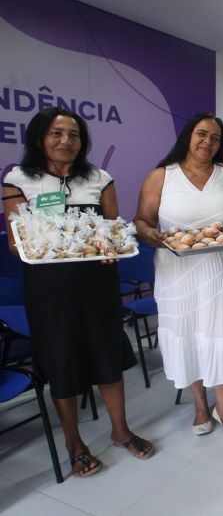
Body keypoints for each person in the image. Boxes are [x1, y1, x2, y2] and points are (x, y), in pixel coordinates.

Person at [2, 108, 154, 477]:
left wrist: (112, 248)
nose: (65, 141)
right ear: (39, 137)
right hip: (49, 290)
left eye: (73, 135)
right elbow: (16, 243)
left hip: (96, 284)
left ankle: (121, 431)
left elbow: (113, 230)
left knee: (108, 355)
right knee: (62, 361)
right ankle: (75, 442)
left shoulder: (99, 178)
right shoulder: (19, 178)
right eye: (56, 133)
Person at [134, 113, 223, 439]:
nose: (207, 142)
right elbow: (142, 221)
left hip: (222, 269)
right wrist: (154, 236)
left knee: (222, 333)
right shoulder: (161, 176)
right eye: (202, 134)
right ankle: (199, 404)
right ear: (188, 136)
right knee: (186, 334)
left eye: (215, 138)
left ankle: (222, 405)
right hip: (177, 272)